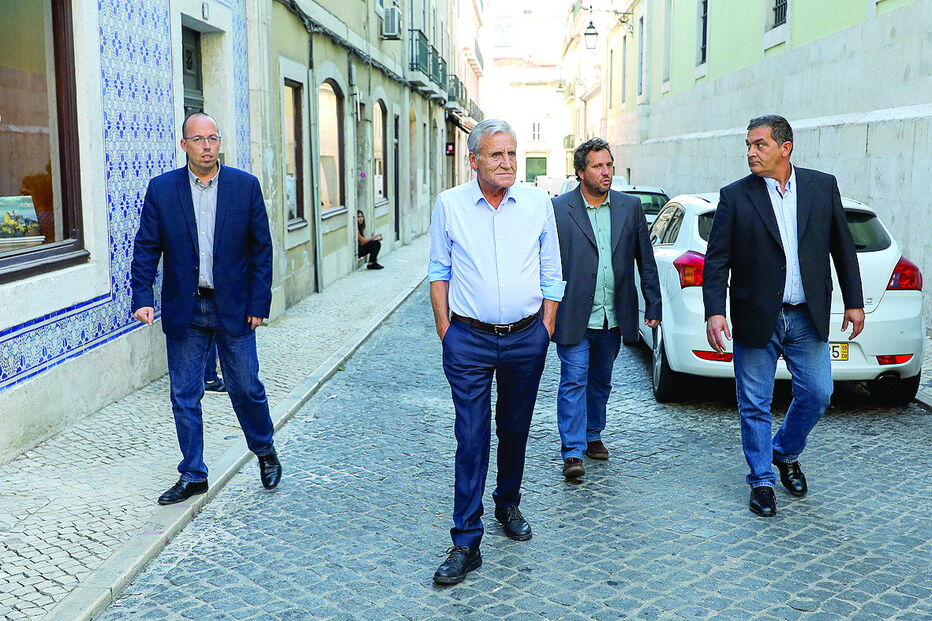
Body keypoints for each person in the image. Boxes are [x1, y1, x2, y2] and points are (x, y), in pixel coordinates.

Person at [703, 115, 864, 517]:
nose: (751, 152)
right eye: (748, 145)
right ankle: (761, 480)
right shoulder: (735, 196)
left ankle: (785, 451)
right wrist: (714, 312)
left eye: (759, 144)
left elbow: (842, 249)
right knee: (754, 402)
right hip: (756, 314)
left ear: (784, 147)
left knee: (818, 392)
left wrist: (854, 301)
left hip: (806, 315)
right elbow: (717, 259)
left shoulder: (821, 187)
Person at [428, 119, 564, 585]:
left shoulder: (537, 203)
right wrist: (446, 329)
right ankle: (466, 539)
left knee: (514, 427)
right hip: (467, 339)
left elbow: (552, 268)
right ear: (474, 161)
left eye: (512, 154)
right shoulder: (449, 205)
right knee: (471, 435)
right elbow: (438, 269)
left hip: (527, 336)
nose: (507, 163)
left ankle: (507, 502)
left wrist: (546, 326)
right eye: (496, 156)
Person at [131, 112, 282, 505]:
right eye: (199, 140)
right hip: (186, 308)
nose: (208, 146)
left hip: (233, 307)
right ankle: (194, 473)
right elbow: (147, 247)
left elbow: (261, 250)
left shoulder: (244, 186)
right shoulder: (162, 190)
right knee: (184, 394)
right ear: (185, 145)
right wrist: (143, 297)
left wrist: (258, 304)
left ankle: (264, 450)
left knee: (246, 387)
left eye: (213, 138)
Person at [551, 138, 661, 481]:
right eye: (598, 166)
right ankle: (572, 451)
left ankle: (592, 433)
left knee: (601, 380)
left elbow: (646, 259)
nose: (607, 172)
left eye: (610, 165)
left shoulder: (629, 207)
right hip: (573, 312)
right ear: (581, 172)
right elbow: (546, 262)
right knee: (573, 380)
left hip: (612, 314)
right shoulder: (558, 209)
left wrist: (653, 303)